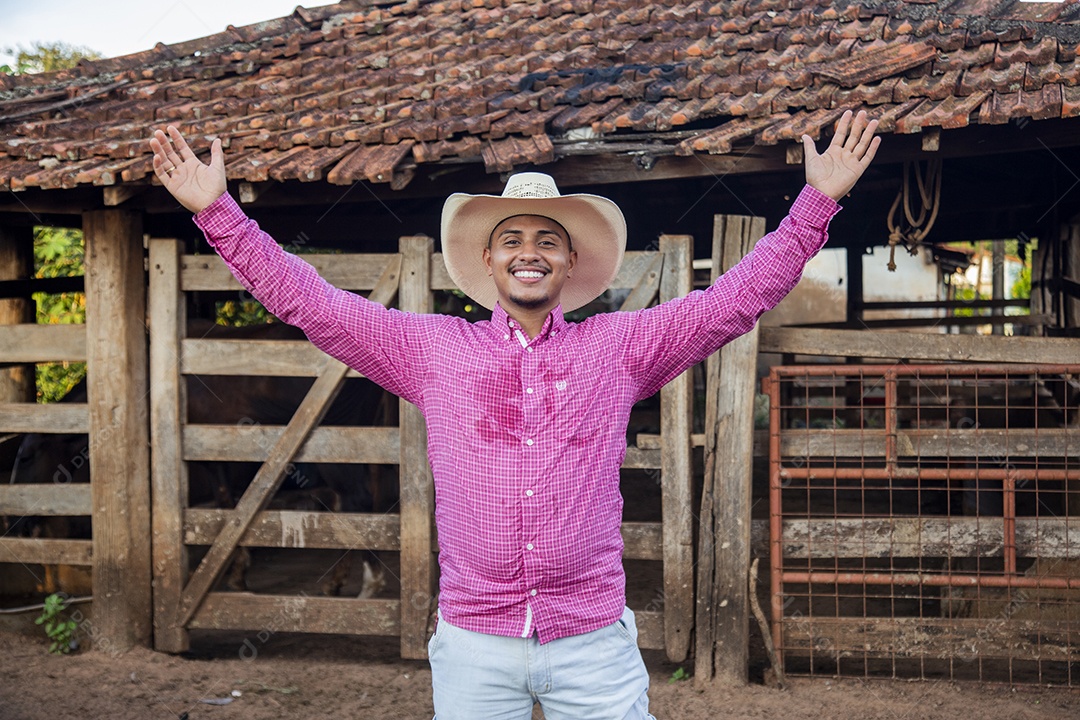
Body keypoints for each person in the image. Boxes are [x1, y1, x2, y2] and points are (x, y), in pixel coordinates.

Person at [149, 109, 879, 719]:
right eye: (512, 242)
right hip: (474, 646)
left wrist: (816, 202)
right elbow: (309, 302)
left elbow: (731, 303)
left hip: (591, 643)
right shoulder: (429, 349)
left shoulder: (619, 348)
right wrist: (217, 211)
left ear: (568, 267)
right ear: (490, 265)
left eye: (547, 243)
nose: (529, 254)